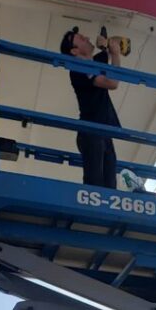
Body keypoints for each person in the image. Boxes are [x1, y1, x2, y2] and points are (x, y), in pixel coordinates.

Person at [60, 26, 122, 188]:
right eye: (81, 39)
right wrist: (115, 53)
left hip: (102, 132)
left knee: (109, 188)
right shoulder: (79, 68)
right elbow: (112, 83)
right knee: (95, 188)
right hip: (91, 132)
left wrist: (105, 46)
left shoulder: (92, 64)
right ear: (74, 51)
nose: (86, 37)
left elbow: (102, 56)